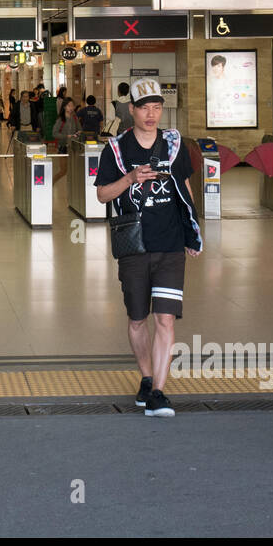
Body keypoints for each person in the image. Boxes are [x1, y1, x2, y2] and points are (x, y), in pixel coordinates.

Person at [95, 78, 202, 417]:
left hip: (170, 245)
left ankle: (158, 390)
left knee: (166, 318)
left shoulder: (174, 144)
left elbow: (185, 187)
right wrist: (129, 179)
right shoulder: (116, 149)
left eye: (157, 108)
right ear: (132, 110)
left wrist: (192, 231)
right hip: (134, 246)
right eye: (145, 108)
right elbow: (102, 195)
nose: (152, 114)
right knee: (138, 318)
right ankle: (145, 376)